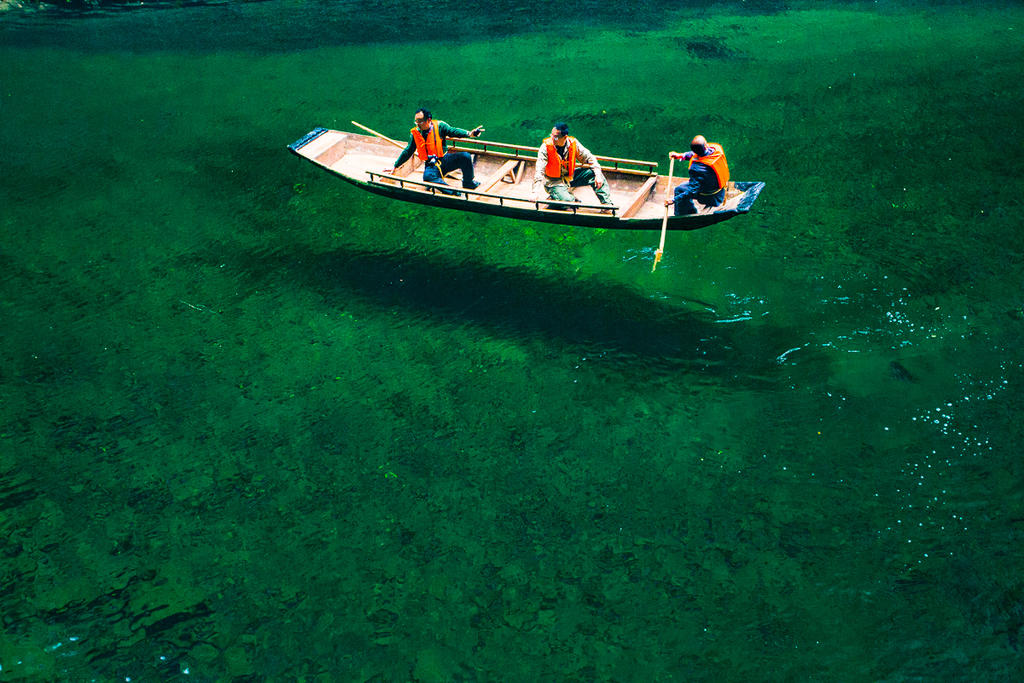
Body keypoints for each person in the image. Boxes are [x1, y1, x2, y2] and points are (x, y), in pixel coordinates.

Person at [387, 108, 485, 191]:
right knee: (428, 177)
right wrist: (396, 165)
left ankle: (468, 183)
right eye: (416, 121)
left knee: (465, 156)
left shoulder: (440, 126)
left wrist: (469, 134)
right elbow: (408, 151)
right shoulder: (415, 133)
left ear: (429, 120)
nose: (417, 124)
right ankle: (452, 191)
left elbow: (453, 131)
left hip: (445, 159)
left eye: (420, 121)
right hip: (431, 164)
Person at [532, 122, 613, 207]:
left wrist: (598, 175)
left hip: (569, 177)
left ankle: (607, 205)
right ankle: (559, 197)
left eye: (555, 137)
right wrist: (535, 192)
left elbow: (590, 157)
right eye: (551, 135)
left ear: (565, 137)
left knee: (595, 173)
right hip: (553, 181)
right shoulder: (545, 147)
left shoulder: (573, 143)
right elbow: (539, 171)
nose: (552, 138)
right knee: (567, 202)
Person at [665, 135, 729, 215]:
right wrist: (682, 155)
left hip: (710, 197)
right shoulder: (717, 149)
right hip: (721, 190)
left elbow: (692, 191)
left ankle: (684, 214)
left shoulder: (696, 168)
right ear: (706, 146)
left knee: (679, 189)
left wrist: (674, 200)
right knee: (690, 185)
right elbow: (699, 154)